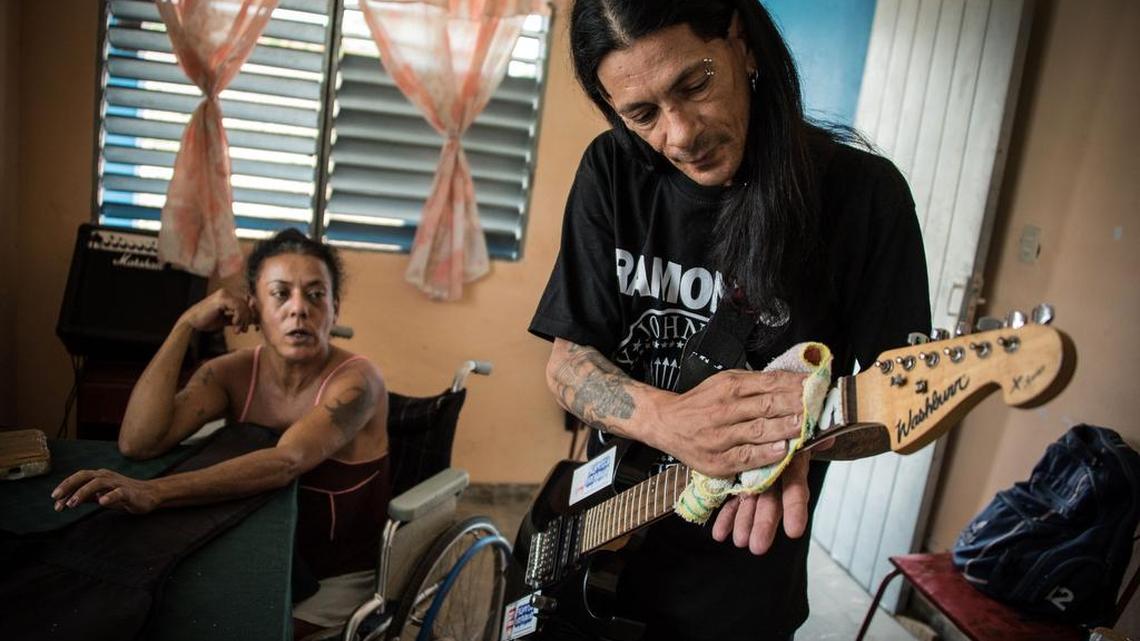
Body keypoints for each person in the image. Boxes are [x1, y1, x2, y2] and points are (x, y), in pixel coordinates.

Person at [528, 1, 931, 639]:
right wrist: (671, 422)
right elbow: (567, 362)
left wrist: (796, 443)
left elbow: (894, 398)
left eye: (695, 84)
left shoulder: (861, 196)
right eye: (643, 114)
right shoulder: (611, 170)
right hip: (601, 533)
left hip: (741, 578)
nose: (680, 133)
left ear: (741, 44)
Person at [49, 228, 390, 638]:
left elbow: (286, 462)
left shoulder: (359, 381)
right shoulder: (234, 372)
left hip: (334, 573)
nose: (299, 309)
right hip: (254, 553)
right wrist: (185, 324)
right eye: (280, 294)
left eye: (316, 295)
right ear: (254, 308)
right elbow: (138, 441)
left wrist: (153, 492)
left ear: (335, 309)